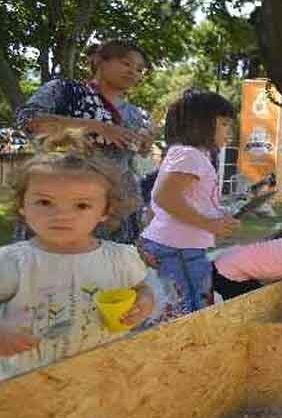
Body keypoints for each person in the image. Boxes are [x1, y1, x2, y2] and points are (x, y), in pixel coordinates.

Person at [0, 130, 154, 380]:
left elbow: (141, 288)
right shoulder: (12, 263)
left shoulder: (120, 259)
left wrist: (144, 302)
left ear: (105, 210)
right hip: (29, 384)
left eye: (81, 205)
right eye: (45, 202)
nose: (62, 215)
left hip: (101, 378)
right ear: (22, 205)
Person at [14, 39, 154, 244]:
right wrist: (97, 126)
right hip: (61, 199)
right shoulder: (64, 91)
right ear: (100, 61)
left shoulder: (134, 114)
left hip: (114, 209)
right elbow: (30, 121)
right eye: (126, 63)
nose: (133, 71)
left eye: (140, 69)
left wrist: (143, 146)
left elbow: (128, 159)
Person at [139, 90, 240, 324]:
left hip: (179, 246)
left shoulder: (192, 155)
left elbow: (167, 203)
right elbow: (164, 196)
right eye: (224, 124)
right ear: (201, 124)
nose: (229, 132)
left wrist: (216, 216)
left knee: (190, 307)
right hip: (178, 249)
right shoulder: (190, 155)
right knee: (190, 311)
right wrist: (208, 224)